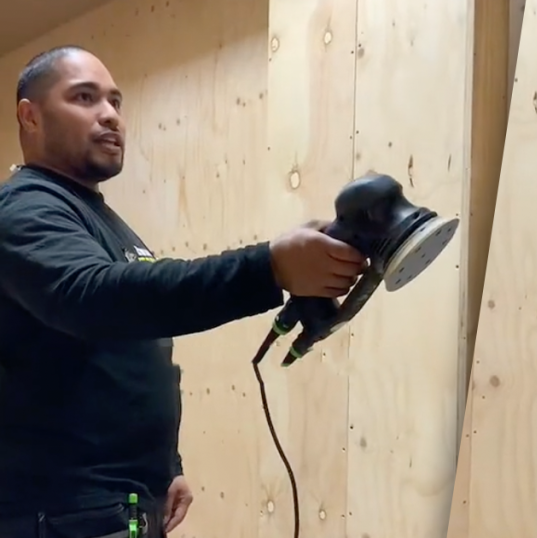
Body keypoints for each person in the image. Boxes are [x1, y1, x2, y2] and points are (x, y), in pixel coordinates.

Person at [0, 46, 367, 537]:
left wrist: (164, 464)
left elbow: (139, 344)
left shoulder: (97, 219)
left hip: (118, 503)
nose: (109, 114)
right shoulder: (24, 208)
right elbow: (93, 300)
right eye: (84, 98)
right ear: (30, 116)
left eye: (115, 101)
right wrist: (267, 268)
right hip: (63, 512)